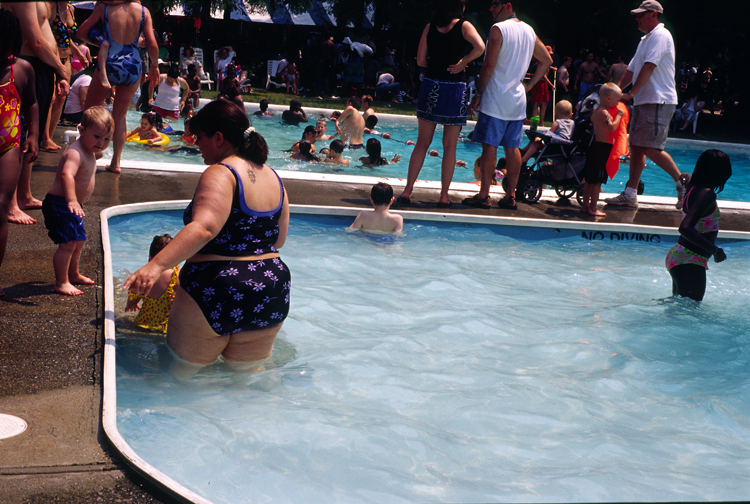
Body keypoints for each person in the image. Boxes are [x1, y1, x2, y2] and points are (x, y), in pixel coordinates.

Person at [123, 100, 291, 381]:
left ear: (218, 138)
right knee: (248, 379)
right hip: (270, 287)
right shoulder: (273, 177)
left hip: (216, 286)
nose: (196, 144)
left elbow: (203, 229)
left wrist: (155, 266)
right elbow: (279, 240)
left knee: (182, 376)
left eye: (199, 138)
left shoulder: (221, 172)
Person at [462, 0, 552, 210]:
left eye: (494, 4)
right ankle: (510, 195)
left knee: (489, 146)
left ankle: (484, 195)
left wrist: (479, 93)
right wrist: (527, 88)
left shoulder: (498, 29)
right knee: (512, 148)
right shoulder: (529, 31)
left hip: (495, 97)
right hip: (516, 99)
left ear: (508, 5)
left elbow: (489, 66)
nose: (490, 8)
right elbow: (546, 60)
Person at [397, 0, 485, 209]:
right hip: (454, 89)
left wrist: (435, 64)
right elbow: (480, 47)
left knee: (422, 142)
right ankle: (444, 196)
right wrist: (463, 62)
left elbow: (420, 60)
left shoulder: (430, 26)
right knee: (450, 146)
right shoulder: (464, 26)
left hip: (431, 87)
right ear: (460, 6)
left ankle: (407, 191)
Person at [604, 0, 687, 210]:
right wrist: (613, 91)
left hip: (658, 99)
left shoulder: (661, 35)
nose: (637, 19)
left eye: (641, 15)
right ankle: (630, 194)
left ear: (653, 14)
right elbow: (631, 71)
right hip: (645, 100)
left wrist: (631, 93)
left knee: (650, 147)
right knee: (637, 148)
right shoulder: (645, 40)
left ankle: (683, 183)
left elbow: (650, 66)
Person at [3, 2, 70, 225]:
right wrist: (61, 68)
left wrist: (56, 68)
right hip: (26, 61)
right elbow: (36, 40)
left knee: (33, 133)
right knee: (17, 134)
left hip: (41, 63)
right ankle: (11, 204)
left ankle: (24, 194)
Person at [79, 0, 159, 174]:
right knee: (120, 116)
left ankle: (88, 154)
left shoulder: (105, 7)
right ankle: (115, 163)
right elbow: (152, 43)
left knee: (90, 111)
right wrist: (154, 67)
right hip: (133, 64)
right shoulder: (143, 11)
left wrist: (100, 43)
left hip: (109, 62)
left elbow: (81, 32)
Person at [41, 106, 113, 296]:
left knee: (78, 240)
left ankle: (73, 274)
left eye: (107, 139)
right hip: (61, 203)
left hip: (72, 205)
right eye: (97, 137)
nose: (101, 142)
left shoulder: (88, 150)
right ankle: (61, 282)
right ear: (81, 131)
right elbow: (67, 174)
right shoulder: (75, 152)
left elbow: (93, 155)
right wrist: (72, 200)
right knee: (68, 244)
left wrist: (96, 152)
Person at [0, 10, 39, 297]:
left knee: (1, 207)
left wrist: (34, 135)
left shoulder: (22, 70)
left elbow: (32, 104)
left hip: (8, 145)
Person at [665, 149, 731, 301]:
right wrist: (716, 250)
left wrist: (684, 178)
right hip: (689, 260)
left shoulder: (692, 186)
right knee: (688, 314)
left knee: (679, 308)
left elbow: (685, 176)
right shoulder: (707, 194)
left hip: (680, 256)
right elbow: (685, 228)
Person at [43, 1, 87, 152]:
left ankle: (49, 135)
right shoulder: (49, 7)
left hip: (66, 57)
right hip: (50, 56)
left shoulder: (70, 8)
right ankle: (45, 138)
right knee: (51, 97)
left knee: (62, 96)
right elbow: (46, 35)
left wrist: (78, 53)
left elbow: (67, 37)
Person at [581, 83, 625, 217]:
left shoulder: (596, 110)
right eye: (617, 100)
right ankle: (593, 209)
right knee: (597, 180)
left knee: (589, 179)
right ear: (608, 99)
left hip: (594, 146)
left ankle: (585, 205)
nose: (618, 103)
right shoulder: (605, 113)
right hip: (603, 148)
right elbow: (611, 128)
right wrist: (618, 115)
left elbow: (593, 121)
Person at [125, 234, 180, 333]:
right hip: (165, 330)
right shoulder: (177, 276)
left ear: (150, 258)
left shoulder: (143, 277)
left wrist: (132, 304)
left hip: (141, 326)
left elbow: (131, 303)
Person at [520, 99, 574, 165]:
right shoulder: (573, 123)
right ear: (571, 115)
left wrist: (540, 138)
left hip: (555, 148)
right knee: (535, 141)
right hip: (565, 147)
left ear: (556, 115)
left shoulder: (557, 123)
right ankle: (523, 152)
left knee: (535, 143)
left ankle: (523, 160)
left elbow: (548, 136)